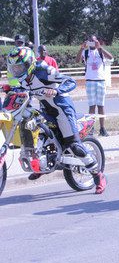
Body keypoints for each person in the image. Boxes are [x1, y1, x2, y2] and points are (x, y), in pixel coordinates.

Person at [6, 47, 106, 193]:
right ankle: (40, 165)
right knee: (33, 129)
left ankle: (98, 175)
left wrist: (56, 90)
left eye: (20, 67)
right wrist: (10, 89)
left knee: (74, 145)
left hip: (62, 109)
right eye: (14, 68)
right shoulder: (23, 78)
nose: (17, 71)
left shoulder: (43, 70)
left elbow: (70, 81)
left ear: (29, 64)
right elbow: (23, 90)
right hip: (46, 110)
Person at [76, 35, 113, 137]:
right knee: (92, 106)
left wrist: (100, 47)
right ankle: (90, 129)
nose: (92, 42)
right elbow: (77, 60)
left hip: (100, 81)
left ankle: (102, 128)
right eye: (90, 40)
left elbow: (110, 57)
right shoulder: (86, 52)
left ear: (97, 41)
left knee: (101, 105)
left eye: (94, 40)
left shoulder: (100, 51)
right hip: (90, 81)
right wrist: (82, 48)